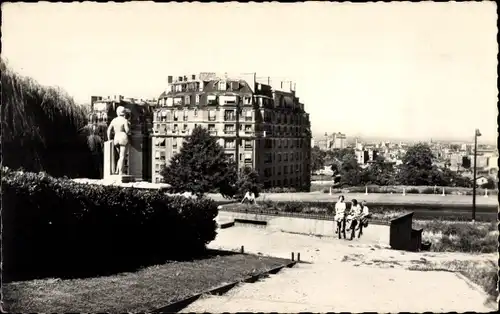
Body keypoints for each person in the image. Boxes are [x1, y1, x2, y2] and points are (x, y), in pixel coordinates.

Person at [107, 106, 131, 175]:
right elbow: (127, 131)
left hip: (116, 138)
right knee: (122, 156)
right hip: (123, 137)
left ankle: (117, 171)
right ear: (124, 113)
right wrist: (128, 125)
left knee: (119, 156)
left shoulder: (114, 120)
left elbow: (108, 130)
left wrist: (109, 139)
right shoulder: (124, 120)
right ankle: (121, 172)